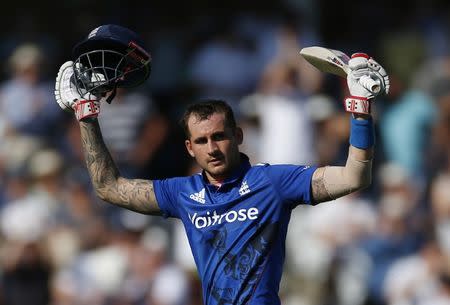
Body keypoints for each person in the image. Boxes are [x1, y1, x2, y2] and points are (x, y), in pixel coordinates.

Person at [54, 24, 389, 305]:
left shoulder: (273, 182)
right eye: (201, 141)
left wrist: (360, 111)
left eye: (219, 137)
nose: (212, 148)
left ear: (239, 135)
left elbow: (354, 177)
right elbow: (108, 187)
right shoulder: (182, 193)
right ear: (189, 148)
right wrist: (86, 115)